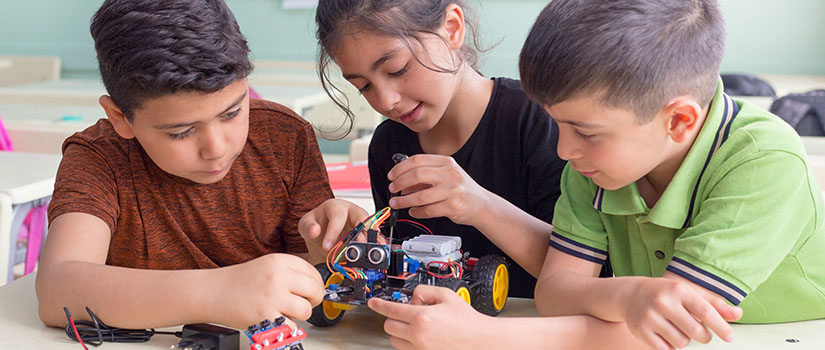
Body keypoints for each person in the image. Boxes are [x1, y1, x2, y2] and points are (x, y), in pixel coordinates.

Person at [368, 0, 825, 349]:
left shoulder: (763, 158)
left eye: (584, 131)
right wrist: (628, 297)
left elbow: (668, 331)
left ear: (679, 121)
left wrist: (484, 337)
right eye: (560, 125)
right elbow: (556, 291)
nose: (565, 149)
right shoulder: (594, 164)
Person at [35, 0, 330, 330]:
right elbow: (56, 291)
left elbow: (316, 282)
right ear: (120, 117)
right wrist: (219, 292)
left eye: (232, 113)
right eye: (181, 132)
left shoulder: (285, 137)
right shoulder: (98, 158)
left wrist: (328, 251)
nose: (216, 149)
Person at [299, 0, 566, 299]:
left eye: (397, 69)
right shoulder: (388, 143)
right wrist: (351, 242)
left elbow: (586, 274)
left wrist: (480, 206)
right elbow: (397, 269)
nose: (385, 102)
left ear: (451, 28)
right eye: (364, 87)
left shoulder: (540, 121)